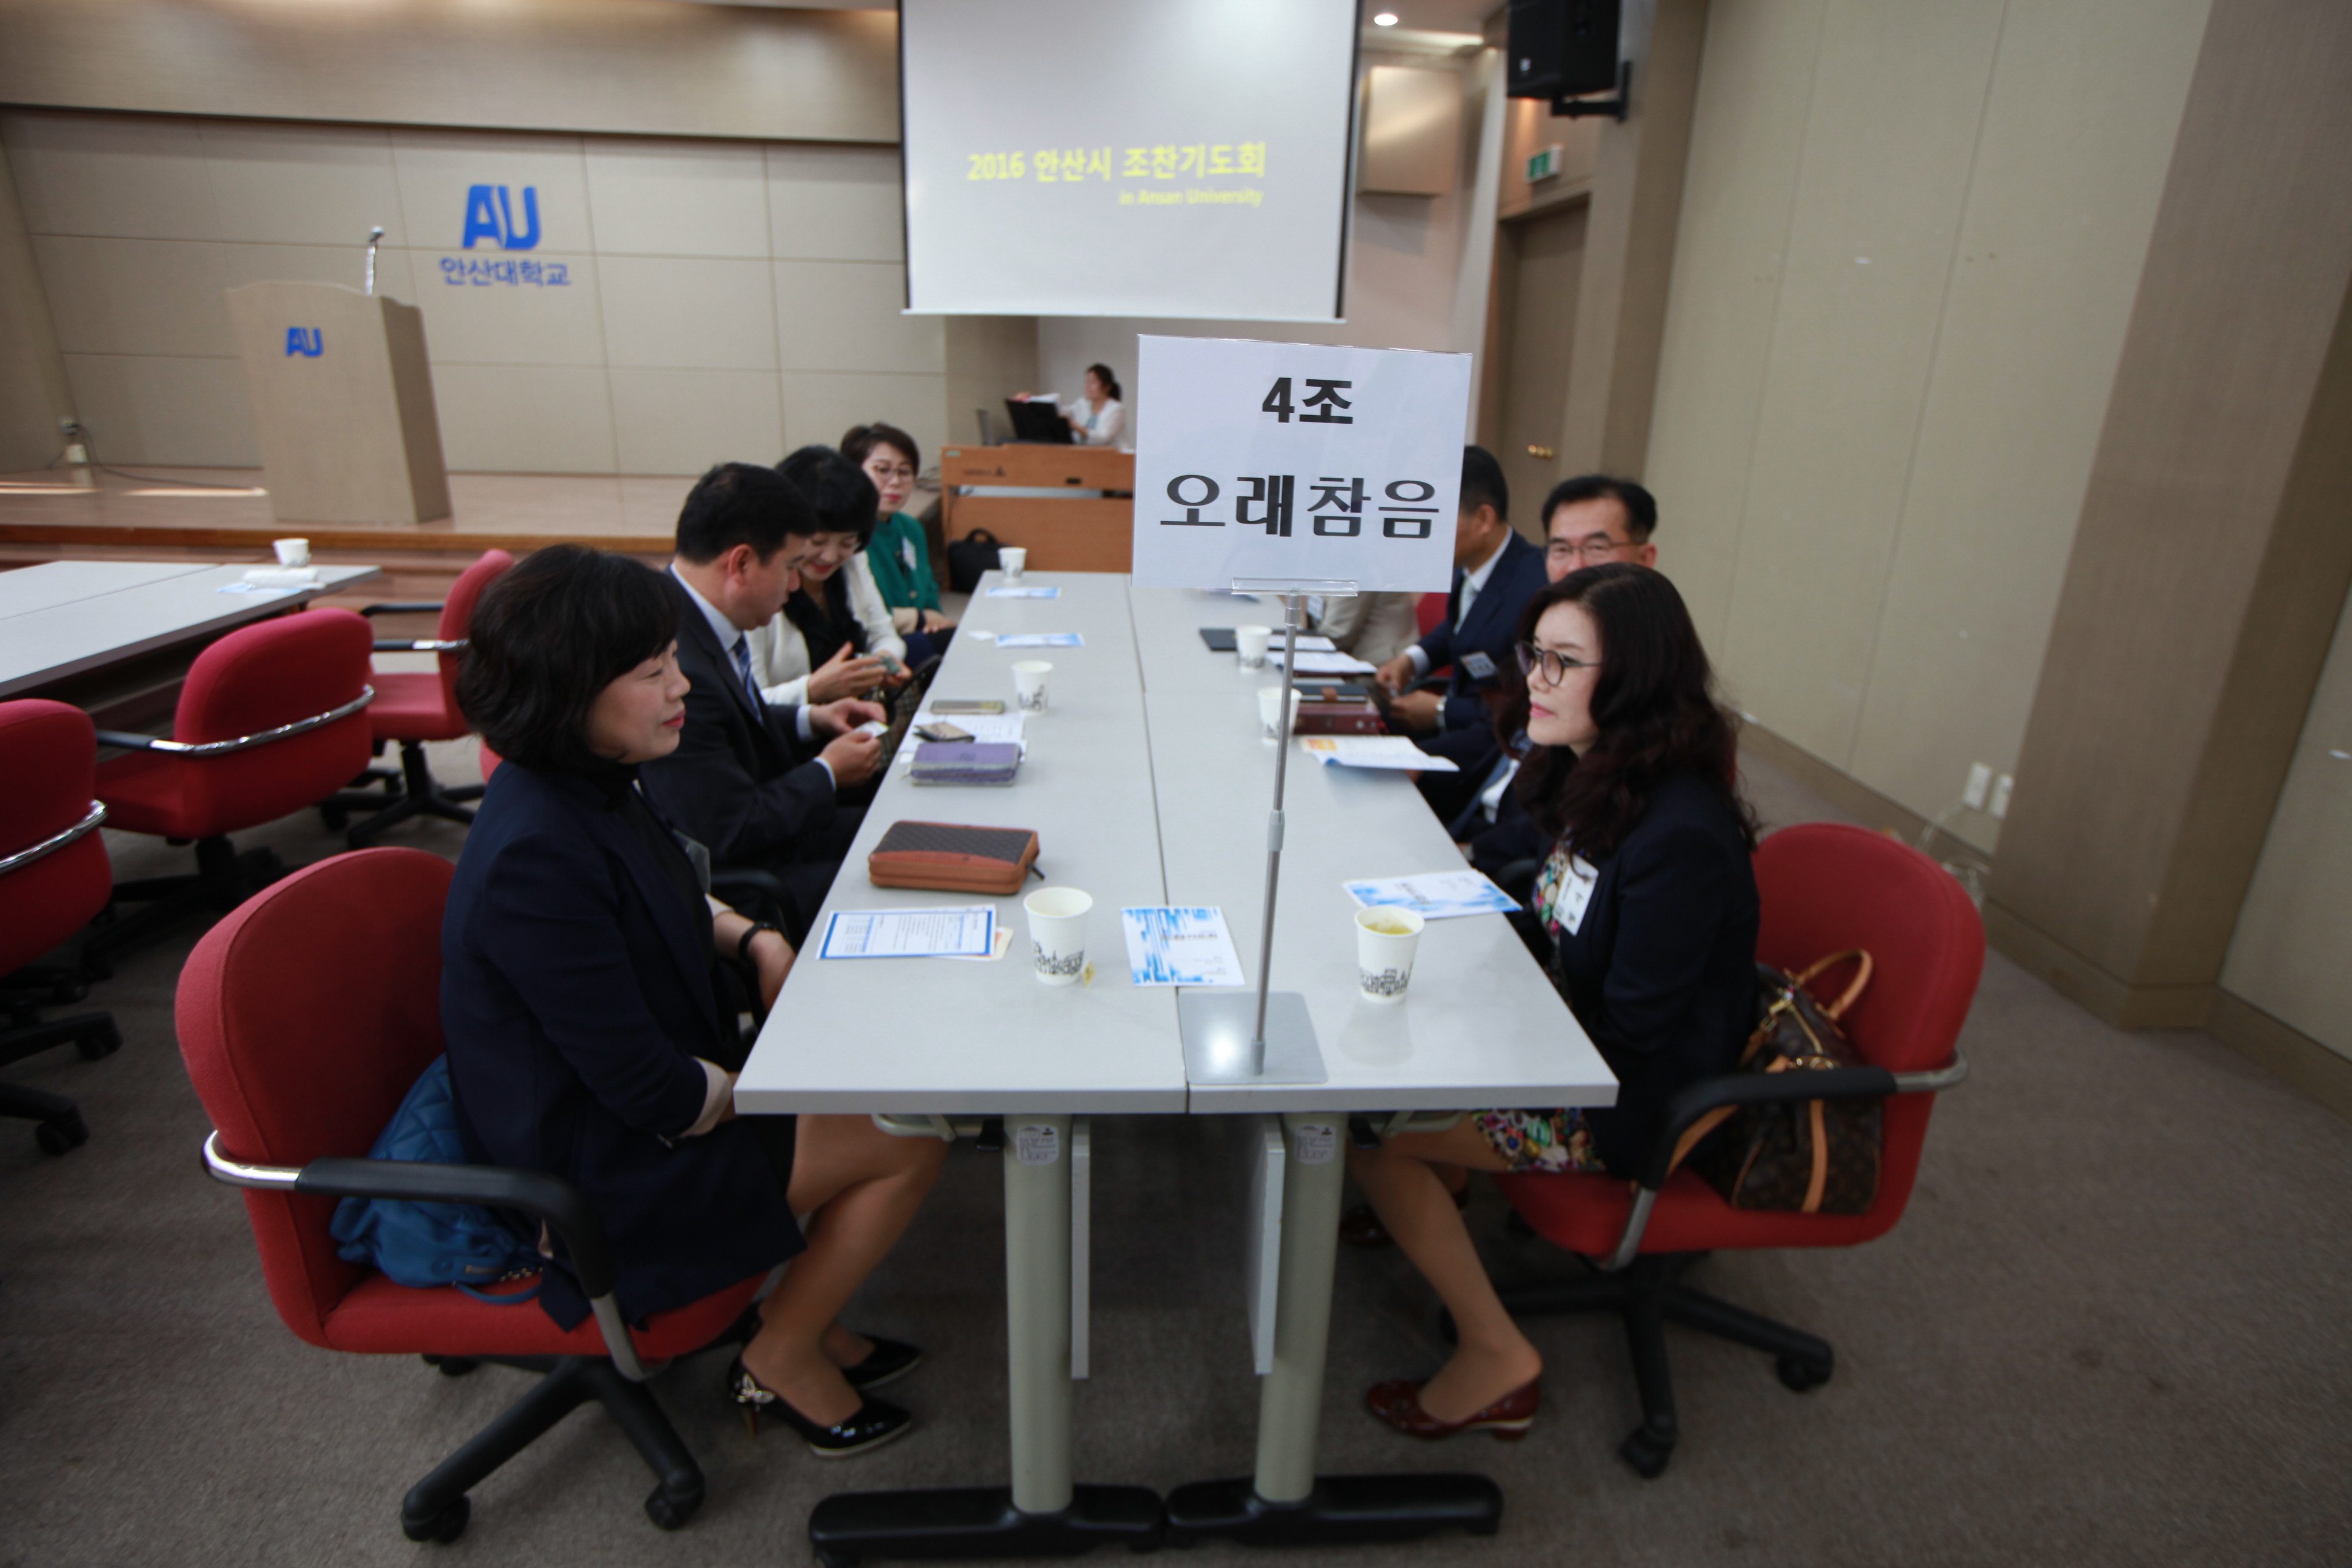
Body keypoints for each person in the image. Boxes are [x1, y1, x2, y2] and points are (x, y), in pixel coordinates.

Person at [443, 543, 947, 1457]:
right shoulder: (535, 855)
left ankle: (802, 1319)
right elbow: (647, 1089)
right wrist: (783, 1087)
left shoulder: (587, 783)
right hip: (602, 1167)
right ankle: (781, 1353)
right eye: (651, 673)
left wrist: (753, 939)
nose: (680, 686)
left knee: (870, 1092)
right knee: (904, 1134)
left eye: (674, 659)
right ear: (567, 691)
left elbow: (668, 883)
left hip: (641, 1098)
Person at [1346, 564, 1761, 1442]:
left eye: (1563, 662)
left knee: (1371, 1128)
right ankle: (1447, 1175)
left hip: (1629, 1100)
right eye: (1534, 653)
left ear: (1638, 678)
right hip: (1570, 1033)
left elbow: (1628, 1041)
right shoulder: (1601, 776)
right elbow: (1558, 920)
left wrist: (1477, 1039)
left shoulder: (1679, 837)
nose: (1534, 678)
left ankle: (1499, 1357)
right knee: (1401, 1041)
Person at [639, 463, 886, 943]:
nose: (795, 587)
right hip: (745, 883)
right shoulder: (674, 664)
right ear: (741, 564)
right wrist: (828, 772)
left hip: (771, 836)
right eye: (791, 567)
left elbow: (730, 722)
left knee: (905, 834)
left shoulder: (694, 619)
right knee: (908, 883)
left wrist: (811, 718)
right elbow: (728, 829)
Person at [1451, 474, 1664, 881]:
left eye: (1597, 547)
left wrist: (1474, 852)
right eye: (1561, 549)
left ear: (1645, 556)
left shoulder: (1648, 674)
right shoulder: (1545, 635)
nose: (1575, 567)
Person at [1370, 446, 1547, 819]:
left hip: (1494, 741)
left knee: (1390, 781)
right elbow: (1457, 630)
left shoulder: (1533, 588)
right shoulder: (1467, 565)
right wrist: (1411, 660)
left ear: (1483, 519)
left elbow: (1521, 705)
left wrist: (1440, 710)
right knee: (1369, 725)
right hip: (1462, 718)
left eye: (1438, 519)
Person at [747, 448, 907, 710]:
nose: (830, 557)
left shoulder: (854, 562)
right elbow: (749, 703)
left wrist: (881, 663)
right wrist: (812, 690)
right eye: (817, 541)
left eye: (847, 542)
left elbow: (884, 634)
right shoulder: (757, 589)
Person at [842, 421, 955, 666]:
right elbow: (854, 616)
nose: (895, 481)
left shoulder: (911, 528)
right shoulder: (846, 536)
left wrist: (933, 619)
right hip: (870, 648)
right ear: (853, 473)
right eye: (883, 470)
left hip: (913, 638)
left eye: (904, 472)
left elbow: (929, 595)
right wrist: (919, 619)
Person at [1017, 364, 1125, 447]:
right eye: (1087, 382)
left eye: (1093, 383)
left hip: (1112, 457)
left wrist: (1076, 427)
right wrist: (1030, 398)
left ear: (1107, 387)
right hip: (1084, 455)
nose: (1088, 387)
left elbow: (1105, 438)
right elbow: (1059, 410)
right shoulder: (1082, 404)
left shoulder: (1117, 409)